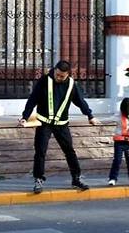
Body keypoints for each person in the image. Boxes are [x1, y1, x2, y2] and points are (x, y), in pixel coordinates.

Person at [18, 60, 101, 194]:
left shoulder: (71, 85)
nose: (58, 78)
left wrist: (90, 116)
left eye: (62, 76)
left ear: (68, 74)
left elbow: (80, 101)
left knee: (70, 152)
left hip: (62, 124)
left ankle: (76, 178)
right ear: (54, 70)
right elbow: (33, 99)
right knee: (40, 152)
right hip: (44, 123)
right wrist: (25, 117)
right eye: (57, 74)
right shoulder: (44, 81)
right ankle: (38, 179)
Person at [108, 97, 129, 187]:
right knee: (117, 160)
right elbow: (108, 119)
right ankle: (112, 178)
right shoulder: (118, 115)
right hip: (119, 143)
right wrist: (95, 120)